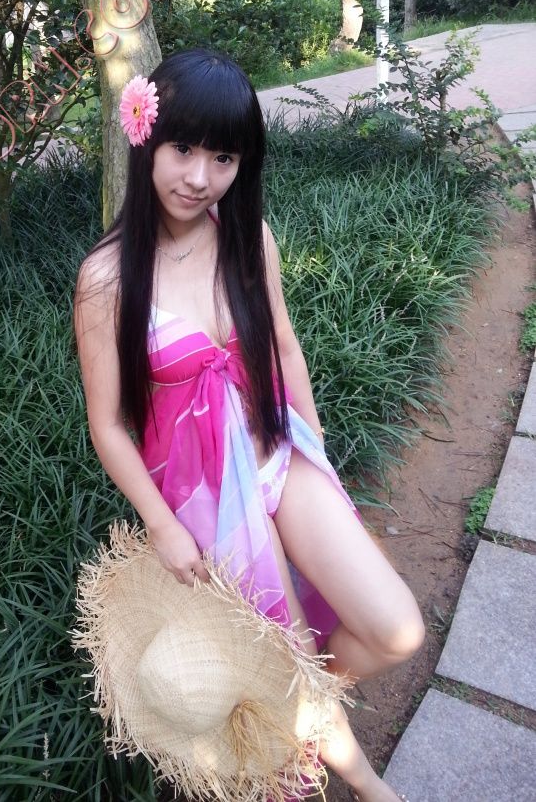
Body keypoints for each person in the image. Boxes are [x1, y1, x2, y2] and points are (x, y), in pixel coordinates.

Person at [73, 46, 424, 801]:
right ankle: (364, 780)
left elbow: (283, 347)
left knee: (396, 629)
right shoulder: (106, 279)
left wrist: (316, 450)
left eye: (223, 157)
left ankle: (281, 710)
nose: (199, 177)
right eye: (183, 148)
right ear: (144, 136)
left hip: (277, 453)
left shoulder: (246, 237)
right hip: (200, 494)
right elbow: (108, 425)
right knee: (285, 656)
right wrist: (162, 526)